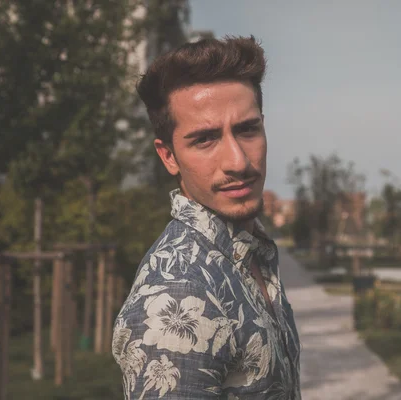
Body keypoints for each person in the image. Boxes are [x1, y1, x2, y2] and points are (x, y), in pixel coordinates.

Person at [112, 36, 301, 399]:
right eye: (205, 139)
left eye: (247, 129)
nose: (238, 162)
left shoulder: (249, 252)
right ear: (168, 157)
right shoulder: (180, 294)